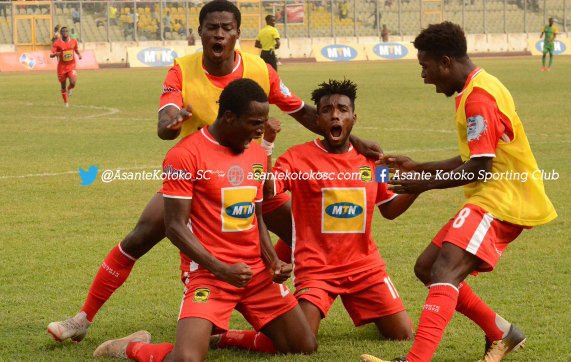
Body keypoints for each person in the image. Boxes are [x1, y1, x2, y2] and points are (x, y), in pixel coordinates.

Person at [47, 0, 381, 344]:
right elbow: (165, 122)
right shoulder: (182, 69)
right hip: (195, 181)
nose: (219, 34)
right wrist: (171, 124)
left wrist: (352, 139)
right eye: (212, 28)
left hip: (248, 177)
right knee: (140, 237)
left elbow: (304, 113)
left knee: (302, 234)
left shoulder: (260, 70)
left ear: (238, 33)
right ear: (201, 32)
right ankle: (83, 318)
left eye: (227, 28)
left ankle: (283, 293)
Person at [360, 21, 557, 362]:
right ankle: (502, 332)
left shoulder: (478, 98)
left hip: (504, 199)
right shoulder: (476, 87)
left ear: (446, 62)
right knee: (427, 267)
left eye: (426, 67)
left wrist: (423, 183)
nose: (424, 76)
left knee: (445, 269)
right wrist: (419, 167)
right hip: (493, 196)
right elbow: (474, 157)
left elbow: (479, 168)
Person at [93, 78, 317, 362]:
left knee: (303, 345)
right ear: (228, 117)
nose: (261, 129)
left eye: (263, 122)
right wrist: (222, 269)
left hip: (255, 273)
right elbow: (174, 227)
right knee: (186, 359)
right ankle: (128, 348)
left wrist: (272, 260)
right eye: (254, 122)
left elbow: (256, 217)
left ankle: (222, 337)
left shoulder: (258, 154)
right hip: (208, 274)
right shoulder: (184, 155)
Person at [211, 79, 417, 354]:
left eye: (343, 110)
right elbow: (268, 189)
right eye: (327, 110)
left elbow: (389, 209)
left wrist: (419, 186)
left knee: (402, 334)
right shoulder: (298, 158)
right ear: (317, 119)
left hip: (365, 267)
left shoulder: (372, 161)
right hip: (317, 269)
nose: (335, 115)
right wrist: (268, 143)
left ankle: (372, 309)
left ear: (353, 118)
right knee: (302, 341)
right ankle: (229, 337)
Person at [49, 26, 82, 107]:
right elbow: (51, 54)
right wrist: (55, 54)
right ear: (61, 33)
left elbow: (76, 49)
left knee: (73, 82)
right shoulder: (57, 43)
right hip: (61, 67)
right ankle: (66, 102)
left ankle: (70, 88)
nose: (65, 33)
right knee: (63, 85)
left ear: (68, 32)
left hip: (71, 66)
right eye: (63, 31)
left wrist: (79, 54)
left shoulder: (73, 41)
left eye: (66, 31)